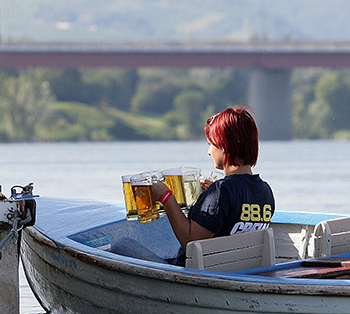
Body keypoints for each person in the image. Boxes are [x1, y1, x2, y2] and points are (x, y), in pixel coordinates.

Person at [112, 106, 275, 266]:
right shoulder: (265, 191)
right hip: (234, 271)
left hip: (197, 276)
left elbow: (190, 243)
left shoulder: (221, 191)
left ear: (225, 146)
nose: (209, 151)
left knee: (121, 246)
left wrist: (166, 197)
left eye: (211, 143)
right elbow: (234, 219)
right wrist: (211, 197)